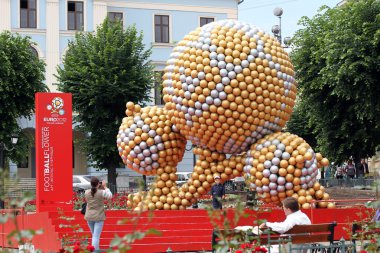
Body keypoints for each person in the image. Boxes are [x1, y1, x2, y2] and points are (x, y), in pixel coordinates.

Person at [84, 177, 112, 252]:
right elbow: (110, 196)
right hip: (99, 217)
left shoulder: (86, 192)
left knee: (94, 235)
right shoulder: (101, 192)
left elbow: (90, 198)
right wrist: (105, 186)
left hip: (89, 216)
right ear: (98, 184)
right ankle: (95, 251)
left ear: (91, 184)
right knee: (96, 236)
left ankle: (96, 249)